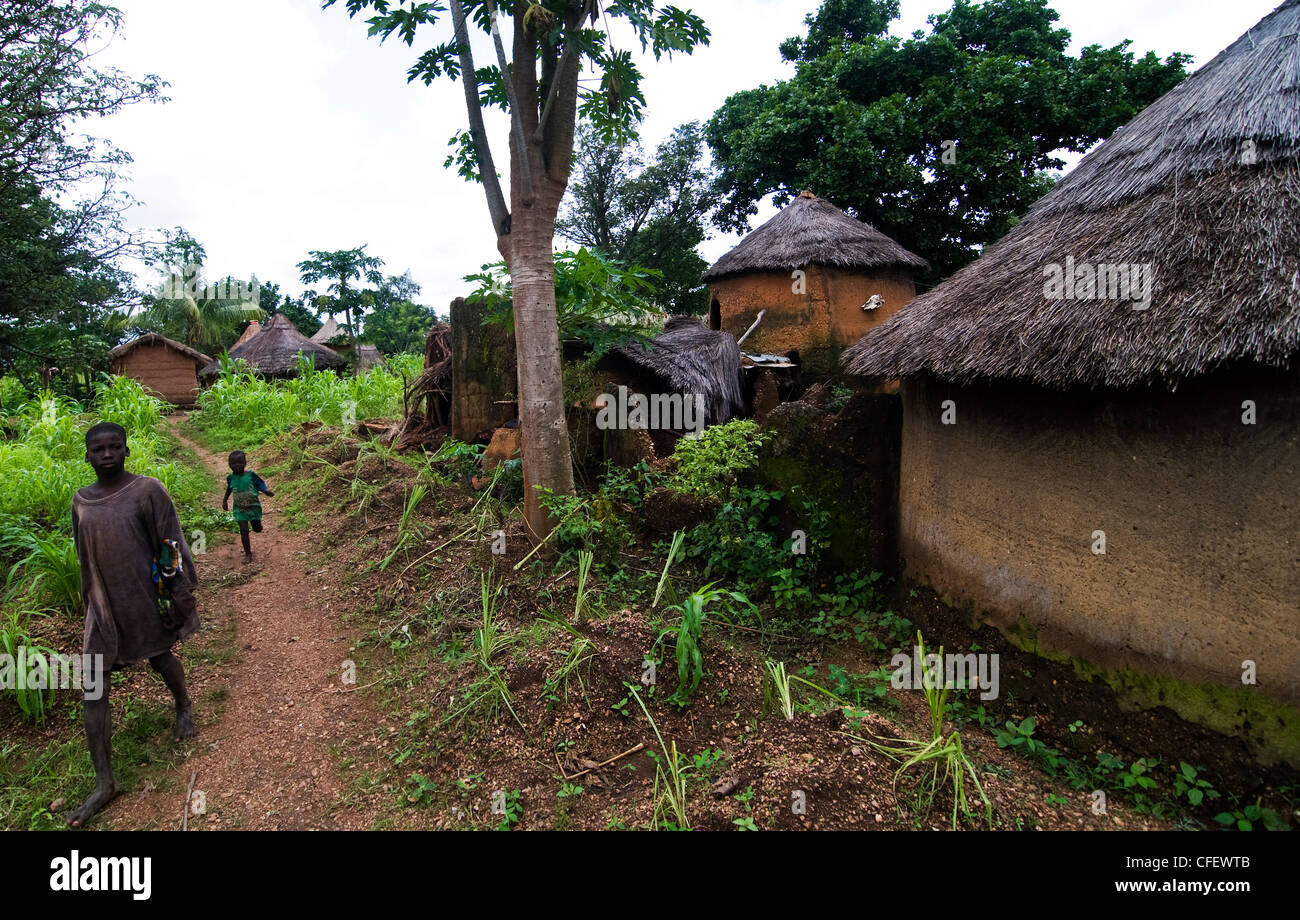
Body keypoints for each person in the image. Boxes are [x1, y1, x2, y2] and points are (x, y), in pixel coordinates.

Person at [67, 422, 200, 828]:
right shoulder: (81, 502)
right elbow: (83, 555)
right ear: (87, 456)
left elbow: (170, 544)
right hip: (103, 606)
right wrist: (89, 602)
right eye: (98, 449)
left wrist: (179, 594)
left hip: (144, 597)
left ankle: (184, 706)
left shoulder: (148, 490)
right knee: (94, 687)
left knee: (160, 658)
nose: (106, 454)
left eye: (114, 447)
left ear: (126, 451)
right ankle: (104, 783)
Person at [222, 450, 274, 563]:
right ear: (229, 465)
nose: (237, 465)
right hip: (240, 509)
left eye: (240, 462)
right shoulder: (230, 478)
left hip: (253, 507)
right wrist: (225, 500)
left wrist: (265, 491)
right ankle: (248, 553)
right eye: (233, 463)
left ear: (245, 462)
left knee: (257, 529)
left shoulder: (250, 475)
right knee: (243, 531)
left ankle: (257, 524)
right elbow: (229, 488)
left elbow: (259, 484)